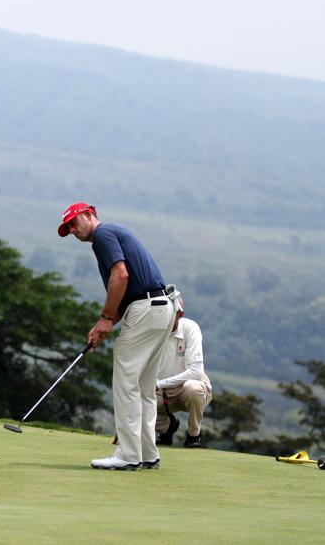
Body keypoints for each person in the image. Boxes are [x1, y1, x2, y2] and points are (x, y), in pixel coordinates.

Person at [58, 202, 175, 471]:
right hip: (161, 308)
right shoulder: (112, 234)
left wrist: (106, 319)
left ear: (90, 215)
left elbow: (120, 276)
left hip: (146, 309)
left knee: (126, 383)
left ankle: (127, 455)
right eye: (68, 229)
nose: (73, 231)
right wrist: (103, 325)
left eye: (75, 223)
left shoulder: (103, 234)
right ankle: (147, 453)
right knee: (145, 387)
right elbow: (124, 295)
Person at [155, 289, 212, 448]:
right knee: (135, 401)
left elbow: (196, 372)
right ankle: (166, 427)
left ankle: (194, 434)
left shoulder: (190, 327)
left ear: (179, 315)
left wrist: (160, 384)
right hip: (163, 393)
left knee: (192, 388)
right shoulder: (153, 331)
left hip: (191, 389)